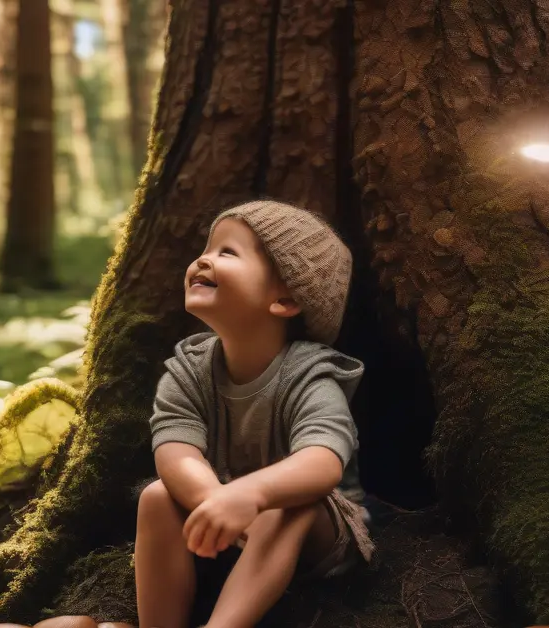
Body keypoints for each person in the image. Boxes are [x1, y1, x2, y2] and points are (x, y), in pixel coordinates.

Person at [135, 199, 375, 628]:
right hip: (223, 520)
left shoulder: (311, 374)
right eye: (207, 248)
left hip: (315, 532)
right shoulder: (190, 367)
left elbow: (322, 462)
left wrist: (250, 496)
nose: (203, 259)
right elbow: (175, 450)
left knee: (289, 507)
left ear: (284, 298)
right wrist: (217, 502)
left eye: (227, 252)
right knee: (156, 497)